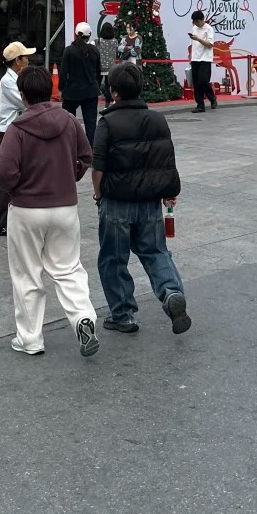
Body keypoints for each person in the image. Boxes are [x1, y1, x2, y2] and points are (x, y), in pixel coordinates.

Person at [0, 64, 99, 358]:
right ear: (50, 92)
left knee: (27, 274)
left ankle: (30, 339)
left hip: (27, 209)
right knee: (68, 268)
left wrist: (16, 187)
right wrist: (70, 174)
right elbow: (86, 155)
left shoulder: (17, 128)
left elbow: (3, 169)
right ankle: (83, 318)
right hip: (65, 206)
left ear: (23, 96)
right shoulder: (68, 120)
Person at [93, 63, 190, 336]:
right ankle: (171, 294)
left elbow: (97, 167)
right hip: (149, 203)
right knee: (156, 252)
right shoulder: (158, 120)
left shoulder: (107, 122)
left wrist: (98, 196)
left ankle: (122, 315)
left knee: (113, 258)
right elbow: (167, 162)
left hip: (116, 202)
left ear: (113, 91)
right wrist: (169, 192)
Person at [0, 41, 34, 236]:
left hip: (16, 130)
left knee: (20, 174)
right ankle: (1, 222)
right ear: (18, 61)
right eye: (25, 58)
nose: (28, 61)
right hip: (8, 131)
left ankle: (15, 217)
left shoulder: (15, 78)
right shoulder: (8, 81)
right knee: (7, 175)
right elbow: (25, 103)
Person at [58, 22, 101, 147]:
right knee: (91, 123)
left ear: (76, 34)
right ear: (89, 35)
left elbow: (63, 72)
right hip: (91, 91)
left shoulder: (69, 51)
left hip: (72, 92)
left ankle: (69, 146)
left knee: (68, 121)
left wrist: (61, 89)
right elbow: (98, 71)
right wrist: (95, 84)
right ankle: (90, 150)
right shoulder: (94, 50)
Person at [188, 10, 218, 115]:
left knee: (203, 81)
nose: (195, 24)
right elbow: (192, 44)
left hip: (205, 58)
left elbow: (210, 44)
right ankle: (200, 104)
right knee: (196, 83)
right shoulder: (194, 29)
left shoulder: (209, 29)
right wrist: (190, 57)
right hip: (195, 58)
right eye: (194, 22)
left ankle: (212, 98)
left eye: (197, 21)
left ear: (201, 20)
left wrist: (198, 39)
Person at [97, 22, 118, 104]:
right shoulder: (115, 41)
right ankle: (107, 104)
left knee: (96, 85)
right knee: (108, 87)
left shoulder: (98, 41)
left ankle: (94, 102)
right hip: (111, 67)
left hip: (100, 67)